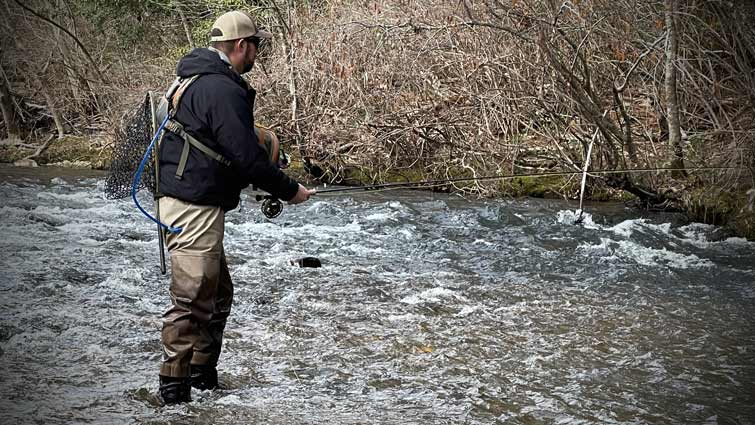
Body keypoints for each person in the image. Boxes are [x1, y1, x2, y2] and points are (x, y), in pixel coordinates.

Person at [155, 10, 315, 404]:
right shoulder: (221, 88)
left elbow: (223, 148)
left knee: (218, 293)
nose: (257, 54)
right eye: (256, 45)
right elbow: (246, 157)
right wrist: (290, 189)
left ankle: (202, 377)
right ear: (242, 45)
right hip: (192, 207)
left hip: (190, 202)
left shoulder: (193, 78)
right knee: (192, 298)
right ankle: (174, 392)